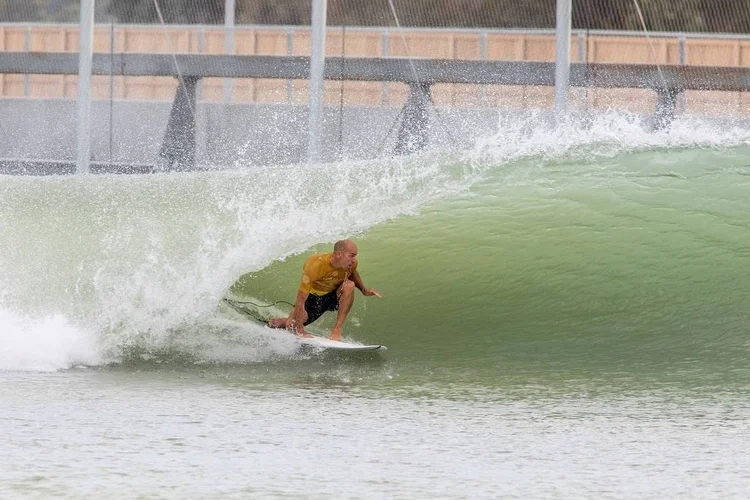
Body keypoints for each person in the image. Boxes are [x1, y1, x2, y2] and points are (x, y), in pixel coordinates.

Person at [268, 239, 382, 340]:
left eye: (355, 256)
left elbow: (352, 273)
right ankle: (285, 321)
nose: (354, 260)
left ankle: (336, 330)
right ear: (338, 254)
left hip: (333, 295)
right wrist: (300, 328)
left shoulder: (351, 264)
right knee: (292, 327)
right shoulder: (315, 264)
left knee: (349, 285)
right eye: (351, 255)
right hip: (315, 298)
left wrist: (364, 290)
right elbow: (301, 299)